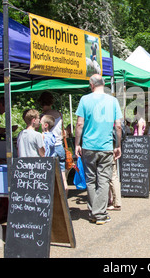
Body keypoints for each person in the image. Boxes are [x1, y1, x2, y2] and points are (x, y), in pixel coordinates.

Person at [75, 74, 123, 225]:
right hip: (106, 146)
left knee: (90, 180)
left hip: (88, 146)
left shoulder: (84, 100)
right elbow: (119, 126)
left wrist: (77, 143)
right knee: (103, 180)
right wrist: (118, 145)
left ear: (91, 85)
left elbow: (79, 124)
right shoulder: (113, 101)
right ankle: (100, 214)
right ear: (103, 83)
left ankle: (93, 212)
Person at [38, 91, 66, 171]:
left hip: (48, 147)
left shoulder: (43, 117)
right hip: (59, 145)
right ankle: (64, 184)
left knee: (50, 173)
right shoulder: (59, 114)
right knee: (62, 173)